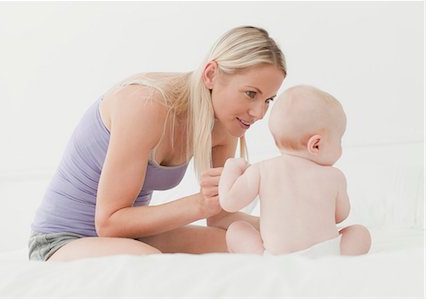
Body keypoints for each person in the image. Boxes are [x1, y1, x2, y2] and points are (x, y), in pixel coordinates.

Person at [28, 26, 287, 261]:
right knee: (153, 263)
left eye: (268, 100)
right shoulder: (146, 104)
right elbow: (108, 223)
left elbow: (221, 217)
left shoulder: (227, 125)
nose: (259, 113)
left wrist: (295, 226)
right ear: (211, 75)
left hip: (129, 239)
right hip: (63, 240)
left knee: (242, 248)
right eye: (251, 94)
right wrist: (199, 203)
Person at [219, 85, 371, 257]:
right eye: (339, 139)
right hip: (326, 252)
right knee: (360, 233)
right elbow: (340, 216)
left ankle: (259, 258)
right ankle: (342, 257)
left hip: (276, 256)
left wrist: (231, 168)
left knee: (236, 230)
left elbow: (229, 202)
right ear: (316, 144)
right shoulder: (334, 176)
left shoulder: (261, 170)